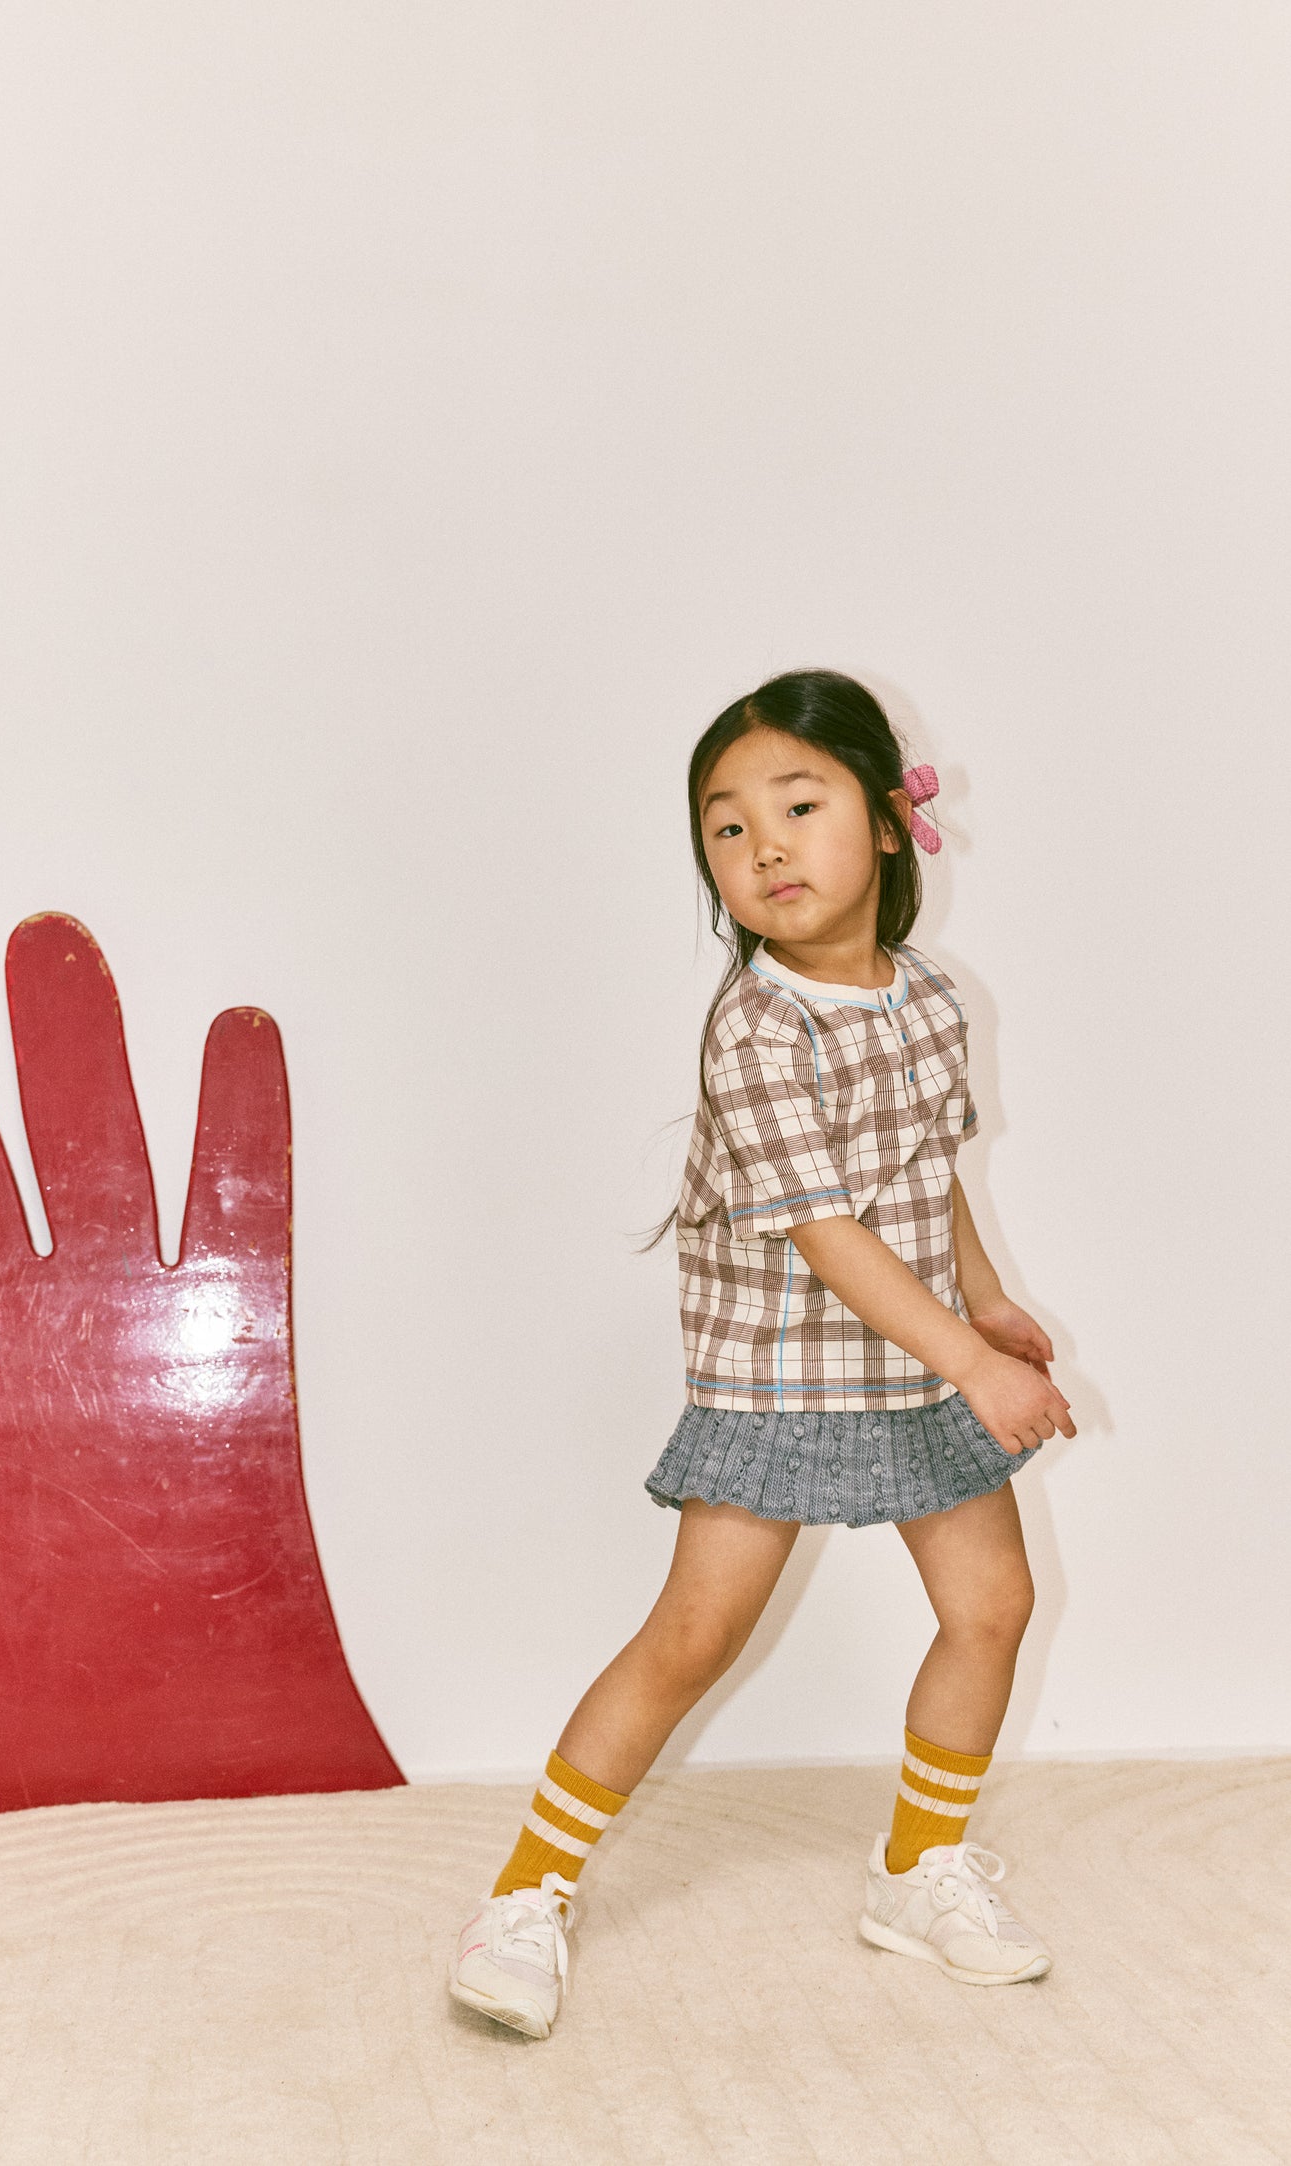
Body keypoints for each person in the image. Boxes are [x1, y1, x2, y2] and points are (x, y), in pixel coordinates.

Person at [449, 669, 1075, 2039]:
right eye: (725, 829)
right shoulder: (754, 1027)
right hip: (780, 1371)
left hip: (911, 1363)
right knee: (691, 1634)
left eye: (798, 804)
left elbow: (926, 1176)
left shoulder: (930, 1000)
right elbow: (828, 1231)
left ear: (888, 826)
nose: (765, 846)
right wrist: (975, 1369)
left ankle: (916, 1869)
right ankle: (528, 1889)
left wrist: (986, 1307)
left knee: (993, 1605)